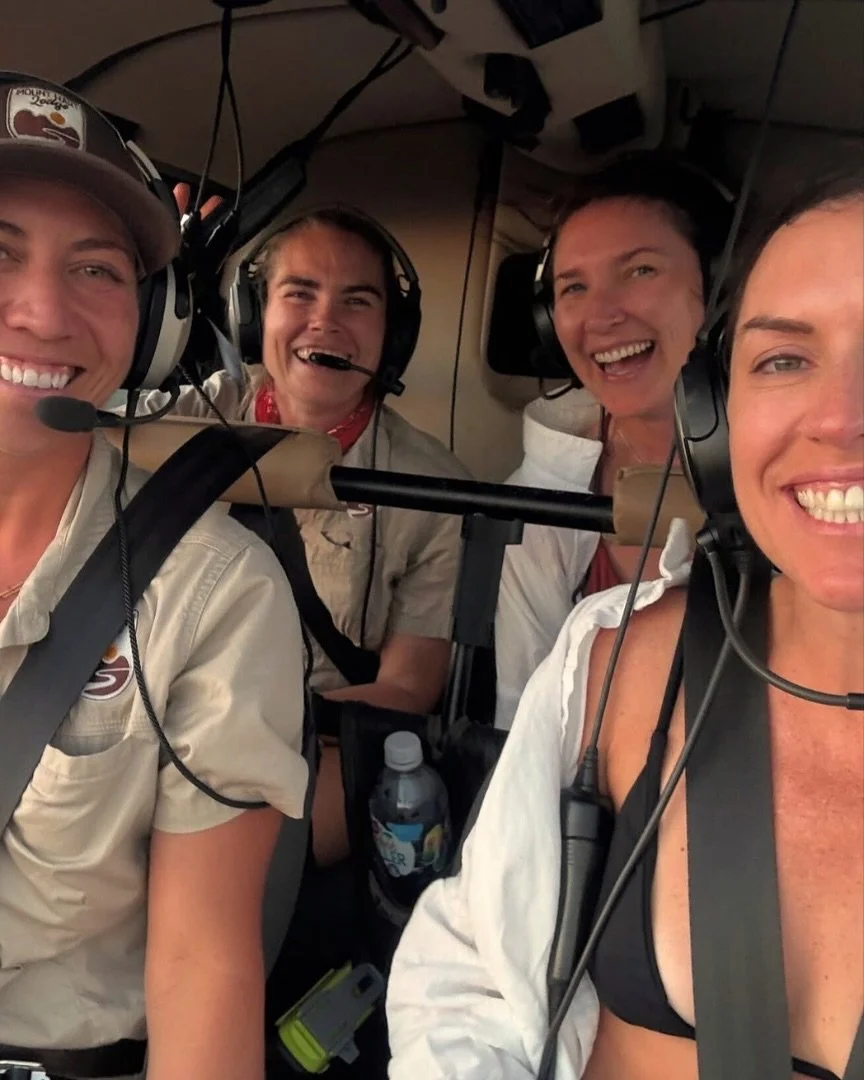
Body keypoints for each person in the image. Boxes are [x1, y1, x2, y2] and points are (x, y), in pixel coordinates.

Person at [386, 171, 864, 1080]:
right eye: (787, 359)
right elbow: (473, 971)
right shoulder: (607, 651)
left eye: (638, 272)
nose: (842, 420)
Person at [0, 75, 309, 1080]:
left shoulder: (215, 595)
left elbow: (202, 965)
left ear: (157, 321)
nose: (43, 313)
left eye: (96, 270)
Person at [136, 205, 471, 866]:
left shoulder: (435, 490)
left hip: (318, 737)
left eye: (357, 300)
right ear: (253, 314)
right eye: (300, 294)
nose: (327, 321)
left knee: (254, 858)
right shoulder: (182, 422)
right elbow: (55, 428)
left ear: (392, 334)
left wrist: (251, 734)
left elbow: (408, 690)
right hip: (151, 719)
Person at [494, 154, 732, 730]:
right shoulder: (537, 500)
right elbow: (524, 722)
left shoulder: (813, 472)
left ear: (722, 289)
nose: (600, 316)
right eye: (574, 287)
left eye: (640, 271)